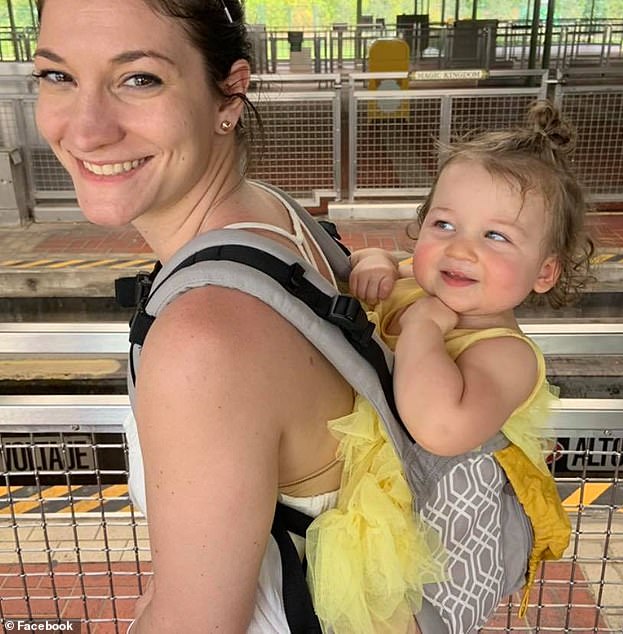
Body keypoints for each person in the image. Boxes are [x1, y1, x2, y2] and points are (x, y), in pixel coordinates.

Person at [33, 0, 433, 632]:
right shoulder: (274, 216)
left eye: (139, 78)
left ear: (229, 96)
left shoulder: (204, 338)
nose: (86, 131)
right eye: (57, 76)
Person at [348, 99, 593, 627]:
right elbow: (374, 263)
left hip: (417, 557)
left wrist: (421, 329)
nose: (461, 249)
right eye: (444, 224)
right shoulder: (418, 280)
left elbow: (440, 426)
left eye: (496, 236)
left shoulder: (505, 354)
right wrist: (370, 260)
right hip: (353, 504)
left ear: (544, 272)